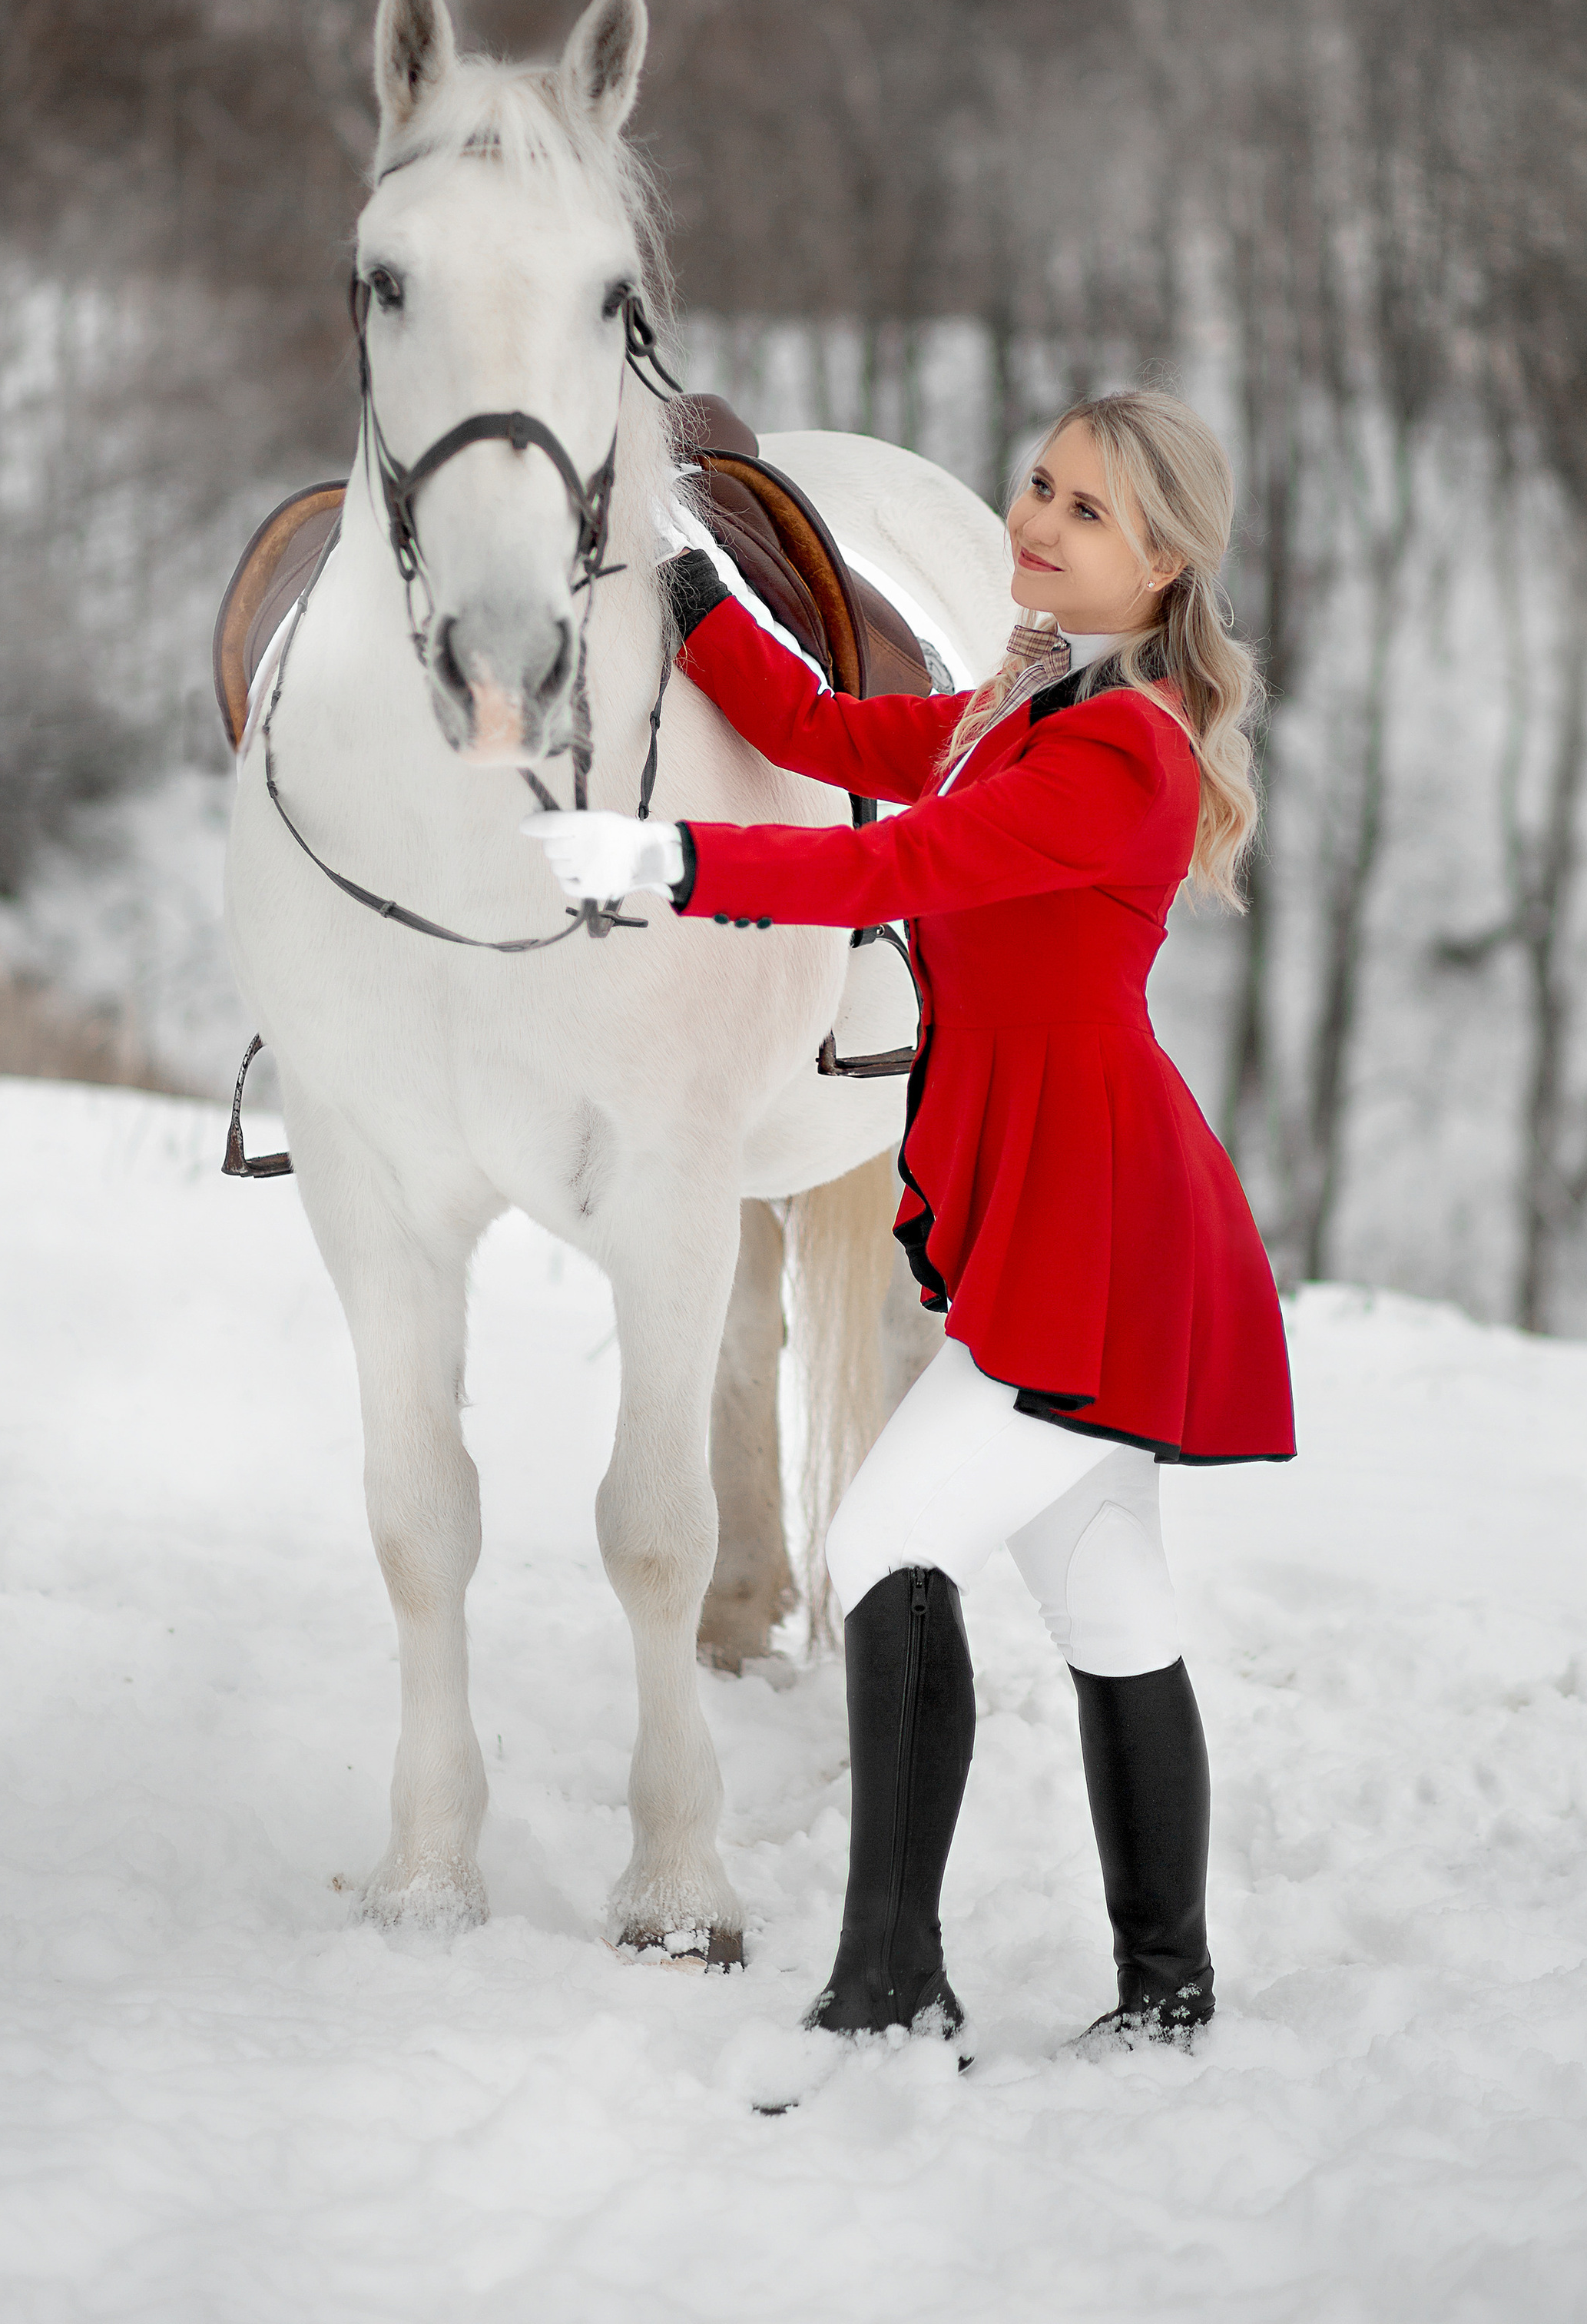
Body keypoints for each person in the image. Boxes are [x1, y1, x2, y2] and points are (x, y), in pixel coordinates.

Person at [526, 390, 1294, 2056]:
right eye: (1036, 487)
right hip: (1076, 1201)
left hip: (1086, 1227)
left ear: (1161, 562)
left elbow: (898, 868)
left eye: (1084, 513)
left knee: (879, 1545)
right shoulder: (1029, 703)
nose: (1033, 522)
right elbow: (831, 738)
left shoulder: (1118, 751)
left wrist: (658, 856)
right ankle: (1167, 1992)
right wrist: (692, 600)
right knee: (1110, 1603)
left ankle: (890, 1982)